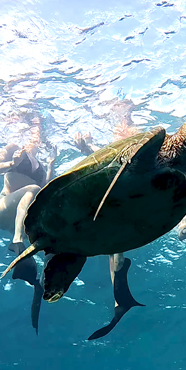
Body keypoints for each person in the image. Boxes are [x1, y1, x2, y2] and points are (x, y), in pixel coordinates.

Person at [70, 131, 143, 340]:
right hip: (123, 200)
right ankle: (119, 300)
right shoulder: (128, 147)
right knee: (114, 248)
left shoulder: (131, 147)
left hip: (120, 201)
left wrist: (86, 147)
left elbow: (109, 160)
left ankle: (120, 300)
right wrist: (86, 147)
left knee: (115, 245)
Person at [0, 121, 56, 331]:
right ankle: (17, 241)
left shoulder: (40, 164)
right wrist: (12, 163)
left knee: (55, 239)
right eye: (33, 130)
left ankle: (41, 283)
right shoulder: (11, 149)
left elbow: (45, 190)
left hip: (23, 217)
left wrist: (52, 165)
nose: (36, 136)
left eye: (39, 132)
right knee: (32, 188)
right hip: (3, 208)